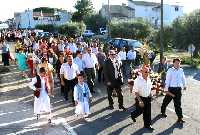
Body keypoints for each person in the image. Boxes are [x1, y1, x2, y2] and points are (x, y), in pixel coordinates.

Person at [160, 58, 186, 123]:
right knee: (166, 102)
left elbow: (183, 78)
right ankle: (163, 112)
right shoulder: (170, 70)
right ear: (173, 63)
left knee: (178, 104)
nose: (178, 64)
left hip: (178, 90)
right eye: (176, 63)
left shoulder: (181, 70)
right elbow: (167, 80)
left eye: (179, 63)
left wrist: (185, 85)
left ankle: (180, 118)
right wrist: (166, 89)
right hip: (171, 89)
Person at [131, 66, 154, 131]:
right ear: (141, 72)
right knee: (139, 111)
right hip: (140, 98)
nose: (147, 73)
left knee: (148, 112)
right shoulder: (137, 80)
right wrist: (140, 101)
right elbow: (136, 92)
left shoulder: (149, 79)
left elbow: (149, 88)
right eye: (146, 72)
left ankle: (147, 125)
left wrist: (150, 94)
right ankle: (133, 115)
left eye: (148, 72)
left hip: (147, 98)